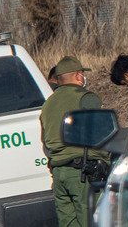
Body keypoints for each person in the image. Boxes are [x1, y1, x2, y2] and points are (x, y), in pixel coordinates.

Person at [40, 56, 109, 227]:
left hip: (59, 174)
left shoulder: (47, 104)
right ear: (78, 76)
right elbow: (104, 134)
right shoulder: (86, 98)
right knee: (92, 221)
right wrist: (104, 162)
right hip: (83, 174)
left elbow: (45, 141)